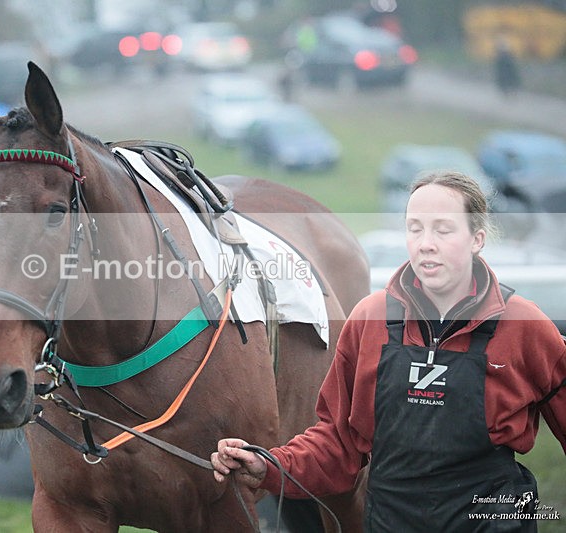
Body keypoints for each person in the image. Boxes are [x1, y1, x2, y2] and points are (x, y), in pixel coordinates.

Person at [211, 171, 566, 532]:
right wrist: (269, 466)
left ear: (477, 239)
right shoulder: (370, 320)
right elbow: (337, 443)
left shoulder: (525, 326)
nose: (426, 243)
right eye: (415, 228)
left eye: (443, 230)